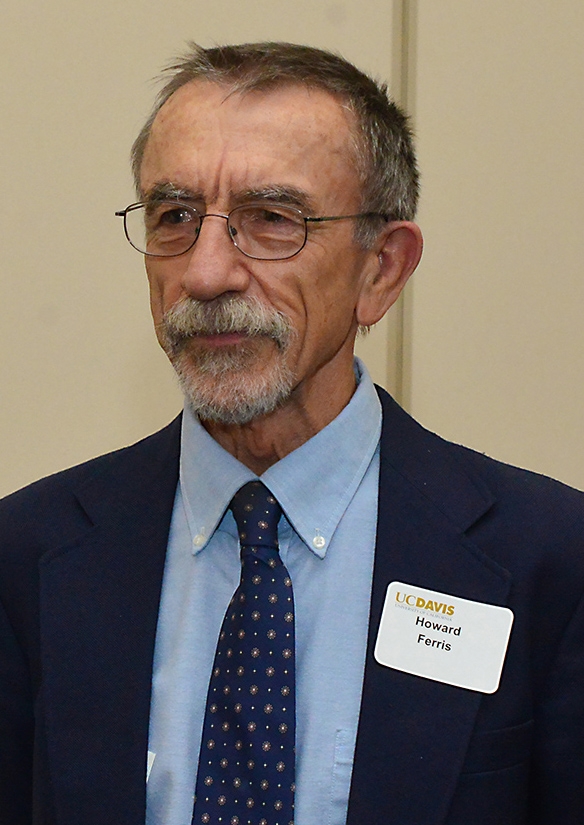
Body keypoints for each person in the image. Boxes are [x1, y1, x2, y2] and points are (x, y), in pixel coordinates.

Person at [1, 42, 583, 825]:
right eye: (175, 217)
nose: (206, 273)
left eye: (271, 220)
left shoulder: (548, 560)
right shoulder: (29, 556)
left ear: (381, 268)